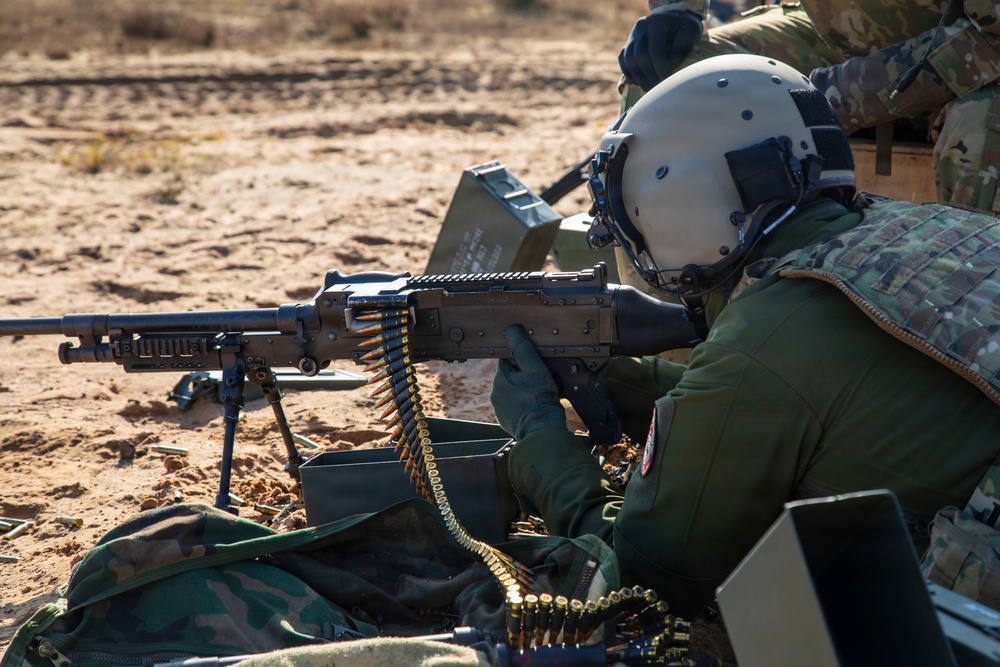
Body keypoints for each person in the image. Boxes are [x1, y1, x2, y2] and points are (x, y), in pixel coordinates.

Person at [490, 54, 1000, 617]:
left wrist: (541, 440)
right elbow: (773, 404)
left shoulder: (771, 338)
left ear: (685, 199)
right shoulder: (919, 228)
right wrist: (606, 380)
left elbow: (646, 576)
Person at [616, 0, 1000, 212]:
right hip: (839, 30)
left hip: (975, 57)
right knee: (672, 70)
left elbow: (988, 42)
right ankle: (685, 307)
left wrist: (818, 99)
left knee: (983, 127)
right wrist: (677, 9)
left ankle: (971, 305)